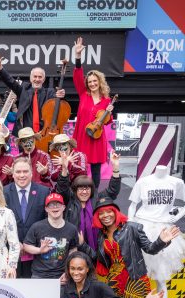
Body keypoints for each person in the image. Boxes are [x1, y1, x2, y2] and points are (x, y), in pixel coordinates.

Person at [128, 165, 185, 298]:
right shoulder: (143, 182)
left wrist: (176, 216)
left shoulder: (177, 182)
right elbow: (132, 205)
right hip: (143, 226)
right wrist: (130, 226)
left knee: (161, 281)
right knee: (138, 277)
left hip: (163, 229)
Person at [0, 48, 65, 135]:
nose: (37, 79)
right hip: (25, 135)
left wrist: (61, 95)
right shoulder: (23, 89)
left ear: (43, 79)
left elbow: (59, 107)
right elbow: (10, 81)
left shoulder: (50, 92)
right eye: (35, 76)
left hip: (44, 134)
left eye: (40, 77)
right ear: (30, 78)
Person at [56, 152, 121, 251]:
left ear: (92, 190)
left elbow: (112, 191)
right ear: (75, 190)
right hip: (74, 248)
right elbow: (62, 188)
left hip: (97, 247)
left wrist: (115, 167)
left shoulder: (97, 199)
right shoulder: (69, 200)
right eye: (81, 189)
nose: (84, 192)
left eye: (87, 188)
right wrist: (64, 169)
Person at [72, 37, 114, 189]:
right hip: (82, 135)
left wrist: (109, 113)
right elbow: (77, 76)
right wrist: (78, 56)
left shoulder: (106, 100)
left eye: (95, 81)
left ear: (99, 82)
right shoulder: (84, 94)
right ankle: (78, 193)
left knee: (95, 170)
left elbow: (108, 122)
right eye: (89, 81)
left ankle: (94, 196)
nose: (92, 83)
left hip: (96, 137)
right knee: (79, 168)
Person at [4, 157, 50, 278]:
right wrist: (15, 242)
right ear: (12, 174)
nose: (22, 175)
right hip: (11, 252)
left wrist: (31, 245)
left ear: (31, 173)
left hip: (37, 253)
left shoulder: (44, 192)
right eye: (18, 172)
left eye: (25, 171)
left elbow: (47, 221)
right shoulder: (4, 193)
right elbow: (1, 223)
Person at [23, 193, 78, 280]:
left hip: (62, 276)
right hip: (39, 275)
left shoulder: (72, 229)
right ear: (46, 209)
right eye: (51, 205)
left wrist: (68, 271)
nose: (55, 207)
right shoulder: (37, 227)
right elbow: (26, 246)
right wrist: (39, 250)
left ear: (63, 207)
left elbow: (73, 250)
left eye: (58, 204)